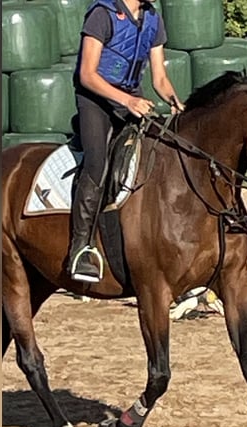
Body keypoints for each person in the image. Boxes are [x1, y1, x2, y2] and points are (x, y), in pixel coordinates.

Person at [69, 0, 184, 283]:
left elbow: (159, 77)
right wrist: (127, 100)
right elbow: (87, 74)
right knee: (97, 164)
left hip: (132, 99)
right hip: (96, 101)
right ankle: (81, 247)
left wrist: (175, 101)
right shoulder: (102, 14)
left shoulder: (153, 18)